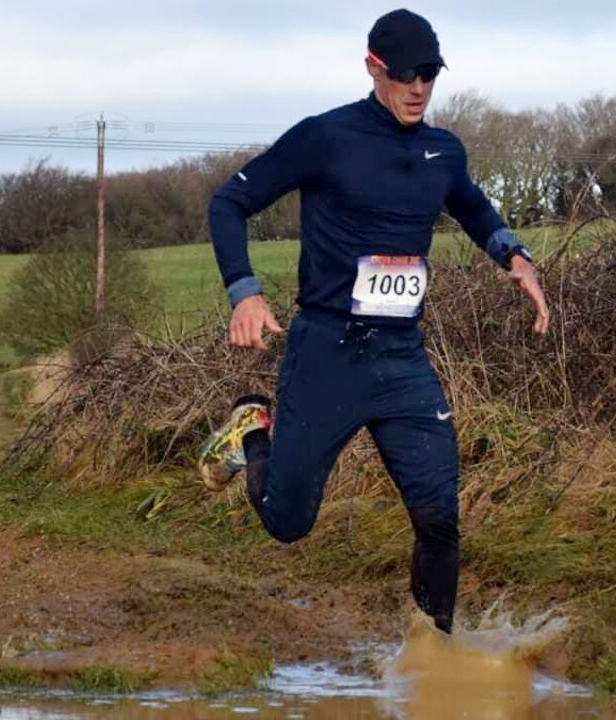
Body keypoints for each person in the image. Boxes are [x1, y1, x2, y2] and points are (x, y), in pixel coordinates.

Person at [198, 8, 550, 634]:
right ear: (374, 68)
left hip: (401, 358)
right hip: (326, 352)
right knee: (287, 522)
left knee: (440, 518)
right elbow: (229, 201)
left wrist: (511, 254)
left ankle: (432, 657)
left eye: (432, 75)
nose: (420, 88)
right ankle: (252, 428)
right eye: (409, 74)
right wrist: (244, 293)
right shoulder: (326, 137)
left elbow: (468, 202)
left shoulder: (444, 150)